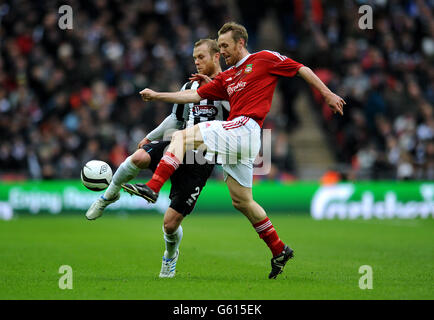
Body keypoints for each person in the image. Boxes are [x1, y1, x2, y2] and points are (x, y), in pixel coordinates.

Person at [134, 22, 346, 279]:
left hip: (245, 126)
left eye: (225, 45)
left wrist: (327, 93)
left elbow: (301, 68)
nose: (221, 51)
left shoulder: (263, 59)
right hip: (242, 139)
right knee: (242, 201)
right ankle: (279, 250)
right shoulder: (225, 78)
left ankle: (153, 187)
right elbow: (193, 97)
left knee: (181, 137)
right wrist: (157, 96)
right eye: (220, 46)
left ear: (240, 43)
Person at [85, 39, 229, 278]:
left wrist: (216, 88)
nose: (196, 61)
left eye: (201, 57)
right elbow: (175, 120)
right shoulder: (190, 86)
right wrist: (150, 137)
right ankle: (108, 195)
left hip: (202, 159)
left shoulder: (230, 86)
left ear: (216, 57)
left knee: (170, 224)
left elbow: (238, 119)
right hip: (179, 144)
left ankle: (170, 256)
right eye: (194, 57)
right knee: (139, 156)